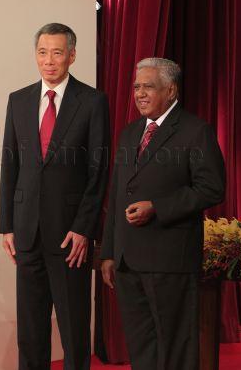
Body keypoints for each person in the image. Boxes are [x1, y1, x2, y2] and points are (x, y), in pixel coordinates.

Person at [100, 58, 225, 370]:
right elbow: (117, 194)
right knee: (141, 347)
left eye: (149, 87)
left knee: (176, 348)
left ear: (171, 90)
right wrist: (109, 253)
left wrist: (157, 207)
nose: (140, 93)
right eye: (137, 87)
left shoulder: (196, 131)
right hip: (128, 262)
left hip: (171, 261)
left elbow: (211, 188)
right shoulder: (129, 134)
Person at [0, 23, 110, 370]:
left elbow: (99, 171)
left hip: (70, 236)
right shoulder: (18, 100)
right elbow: (10, 166)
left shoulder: (92, 102)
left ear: (72, 56)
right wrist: (7, 225)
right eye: (43, 52)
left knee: (74, 327)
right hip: (27, 231)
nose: (49, 61)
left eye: (57, 53)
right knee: (30, 330)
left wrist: (84, 228)